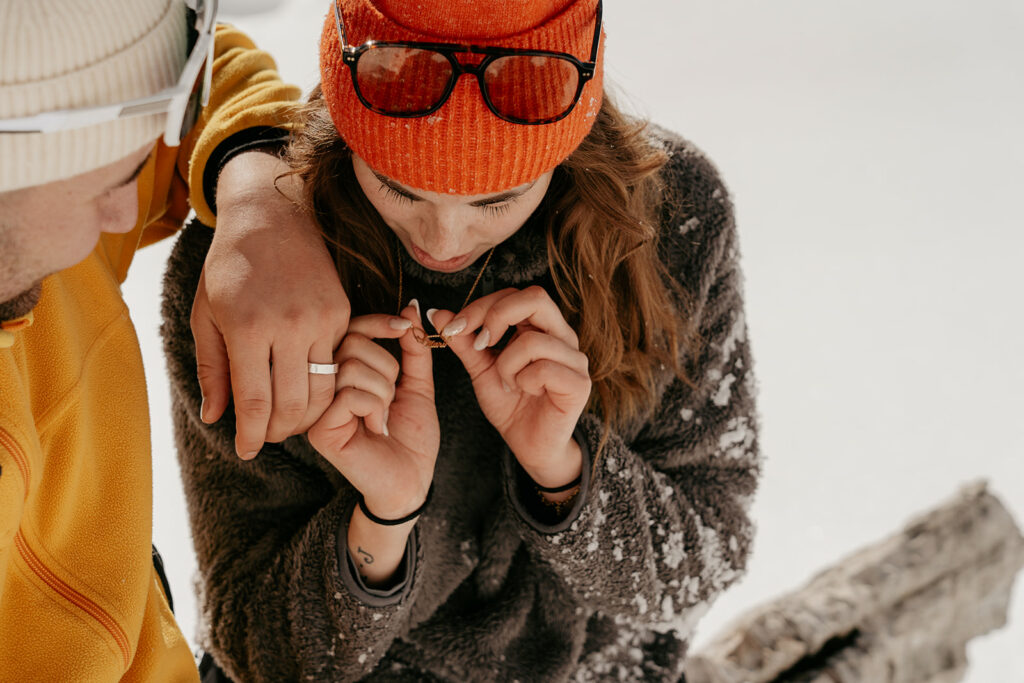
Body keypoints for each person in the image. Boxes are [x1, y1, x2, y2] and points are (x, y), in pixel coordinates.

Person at [162, 0, 761, 680]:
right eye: (397, 186)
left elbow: (706, 558)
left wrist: (564, 474)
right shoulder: (250, 276)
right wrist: (382, 522)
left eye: (496, 198)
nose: (442, 240)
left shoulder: (674, 216)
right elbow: (258, 651)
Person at [0, 0, 350, 679]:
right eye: (114, 179)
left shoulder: (37, 215)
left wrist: (257, 189)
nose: (128, 211)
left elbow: (203, 72)